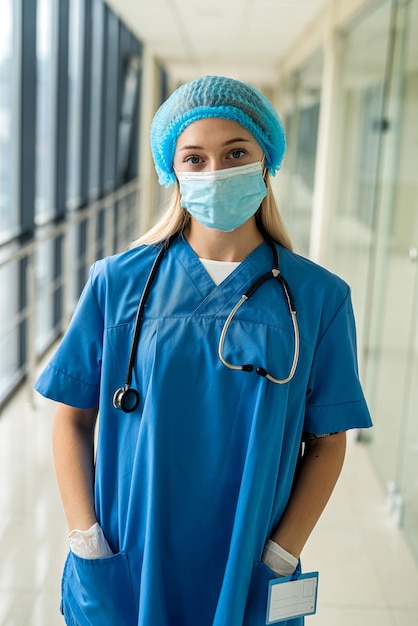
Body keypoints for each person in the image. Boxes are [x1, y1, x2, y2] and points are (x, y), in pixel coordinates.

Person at [35, 75, 372, 626]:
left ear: (266, 160)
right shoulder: (116, 284)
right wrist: (86, 539)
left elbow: (328, 443)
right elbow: (71, 419)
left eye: (235, 152)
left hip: (249, 561)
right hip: (129, 556)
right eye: (194, 159)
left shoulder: (318, 298)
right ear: (173, 171)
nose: (215, 172)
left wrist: (281, 554)